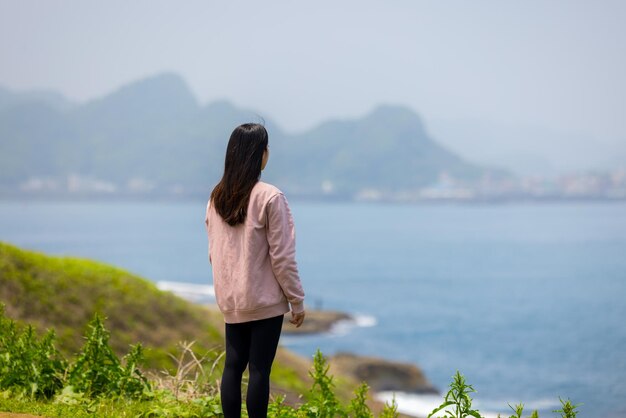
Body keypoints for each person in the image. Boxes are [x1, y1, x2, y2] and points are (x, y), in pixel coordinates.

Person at [204, 123, 306, 418]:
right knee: (260, 369)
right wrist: (296, 301)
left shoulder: (216, 197)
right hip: (263, 300)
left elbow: (215, 253)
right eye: (266, 148)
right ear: (260, 155)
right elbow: (283, 257)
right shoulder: (270, 197)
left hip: (232, 298)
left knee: (233, 367)